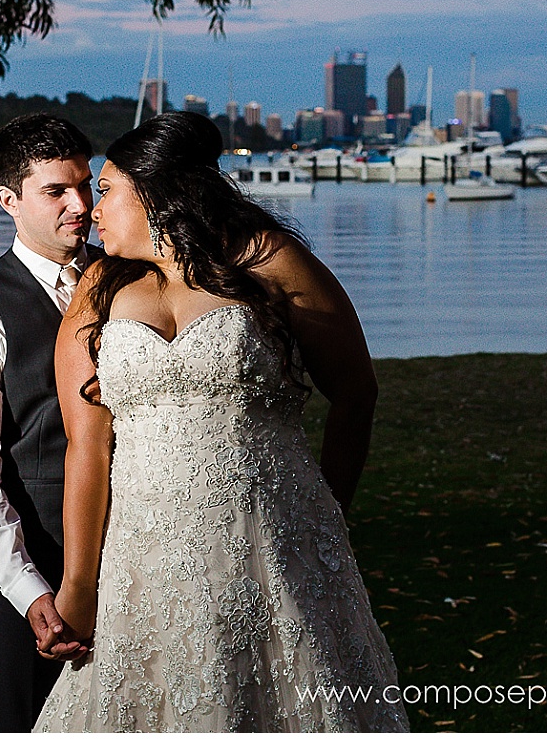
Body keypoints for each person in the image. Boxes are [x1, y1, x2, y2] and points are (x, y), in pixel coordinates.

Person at [33, 111, 407, 732]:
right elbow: (87, 446)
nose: (93, 212)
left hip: (272, 539)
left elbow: (356, 393)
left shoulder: (269, 258)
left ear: (155, 193)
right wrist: (77, 582)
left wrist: (324, 513)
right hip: (143, 552)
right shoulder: (98, 285)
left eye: (107, 191)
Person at [0, 113, 101, 731]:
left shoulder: (124, 281)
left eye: (85, 185)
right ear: (9, 200)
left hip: (140, 550)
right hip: (34, 566)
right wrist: (30, 592)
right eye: (56, 190)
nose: (80, 204)